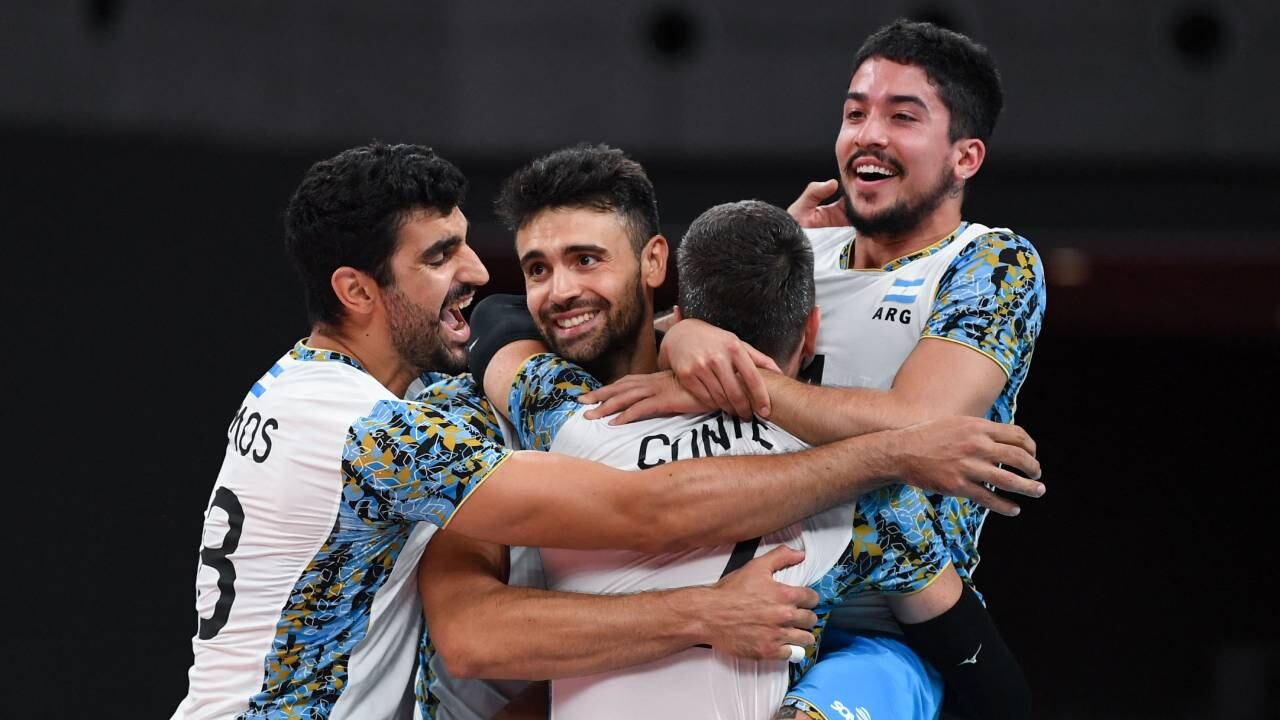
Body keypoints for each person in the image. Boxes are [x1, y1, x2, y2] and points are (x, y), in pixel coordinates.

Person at [172, 141, 1041, 719]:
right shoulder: (470, 414)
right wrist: (893, 448)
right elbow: (486, 628)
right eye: (539, 266)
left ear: (658, 266)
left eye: (587, 260)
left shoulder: (527, 394)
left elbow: (972, 663)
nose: (548, 289)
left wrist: (706, 327)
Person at [586, 20, 1047, 720]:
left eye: (902, 116)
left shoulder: (990, 263)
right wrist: (688, 331)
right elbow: (648, 363)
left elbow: (921, 430)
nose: (868, 133)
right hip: (738, 589)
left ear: (965, 157)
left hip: (890, 626)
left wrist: (744, 377)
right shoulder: (804, 249)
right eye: (855, 112)